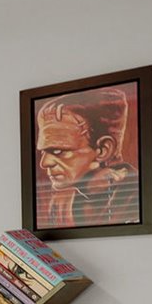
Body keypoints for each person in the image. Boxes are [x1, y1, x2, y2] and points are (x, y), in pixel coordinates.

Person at [34, 87, 139, 229]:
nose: (44, 163)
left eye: (58, 150)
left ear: (103, 150)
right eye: (43, 152)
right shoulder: (59, 203)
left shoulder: (136, 198)